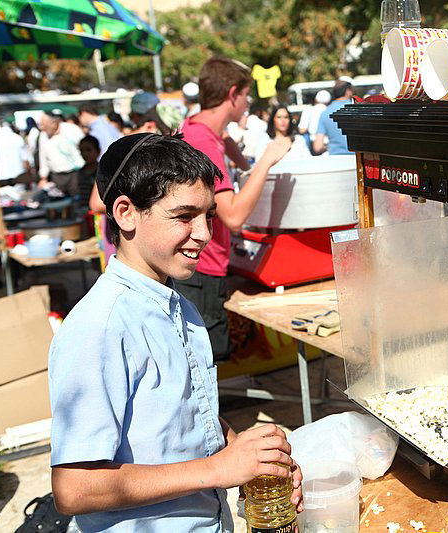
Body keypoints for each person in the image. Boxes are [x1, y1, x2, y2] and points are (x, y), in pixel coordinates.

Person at [48, 133, 303, 531]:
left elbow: (188, 412)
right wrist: (218, 469)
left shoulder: (180, 306)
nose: (203, 233)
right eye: (184, 217)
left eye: (209, 216)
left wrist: (250, 458)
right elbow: (74, 488)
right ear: (126, 213)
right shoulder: (100, 327)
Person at [179, 56, 289, 361]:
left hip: (195, 267)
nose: (248, 102)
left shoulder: (194, 127)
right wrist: (266, 161)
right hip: (202, 271)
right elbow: (234, 217)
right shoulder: (205, 144)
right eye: (245, 95)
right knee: (207, 361)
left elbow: (222, 137)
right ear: (232, 95)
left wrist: (240, 161)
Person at [38, 111, 84, 197]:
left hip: (75, 174)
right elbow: (43, 157)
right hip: (57, 176)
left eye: (43, 124)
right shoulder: (43, 136)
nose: (41, 127)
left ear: (54, 123)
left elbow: (85, 146)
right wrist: (43, 178)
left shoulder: (72, 129)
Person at [312, 80, 355, 155]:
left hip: (335, 160)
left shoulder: (325, 113)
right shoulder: (357, 109)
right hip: (357, 159)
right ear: (348, 91)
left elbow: (317, 147)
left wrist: (328, 147)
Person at [77, 135, 99, 202]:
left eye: (88, 150)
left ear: (98, 151)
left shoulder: (102, 172)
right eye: (82, 150)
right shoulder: (79, 173)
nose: (85, 154)